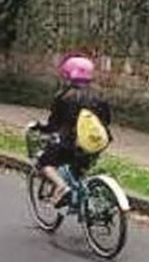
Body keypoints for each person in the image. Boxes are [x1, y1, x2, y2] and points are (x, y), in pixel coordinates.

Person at [37, 54, 112, 207]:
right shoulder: (100, 96)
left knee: (45, 162)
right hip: (96, 142)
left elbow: (54, 124)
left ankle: (61, 186)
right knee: (82, 164)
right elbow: (107, 120)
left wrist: (41, 128)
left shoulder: (64, 96)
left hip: (70, 142)